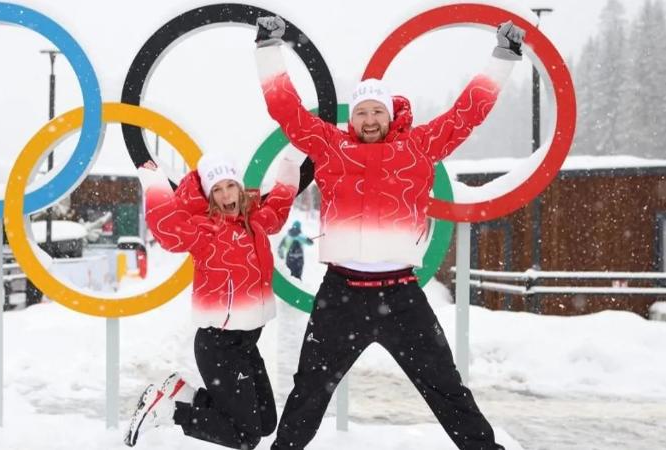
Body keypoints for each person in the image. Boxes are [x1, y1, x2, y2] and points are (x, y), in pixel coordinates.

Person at [253, 16, 525, 450]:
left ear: (391, 113)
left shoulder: (417, 148)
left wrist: (502, 58)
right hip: (340, 293)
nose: (370, 118)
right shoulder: (330, 147)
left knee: (446, 389)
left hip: (401, 296)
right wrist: (269, 47)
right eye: (362, 111)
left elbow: (465, 115)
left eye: (377, 110)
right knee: (307, 392)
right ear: (352, 119)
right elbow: (287, 111)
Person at [124, 154, 300, 450]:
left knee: (267, 423)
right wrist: (154, 183)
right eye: (216, 189)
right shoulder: (204, 231)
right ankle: (167, 411)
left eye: (230, 185)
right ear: (208, 196)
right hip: (219, 344)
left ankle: (182, 394)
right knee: (247, 436)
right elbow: (168, 231)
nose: (226, 194)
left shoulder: (254, 222)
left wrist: (291, 166)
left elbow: (277, 210)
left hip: (246, 343)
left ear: (240, 188)